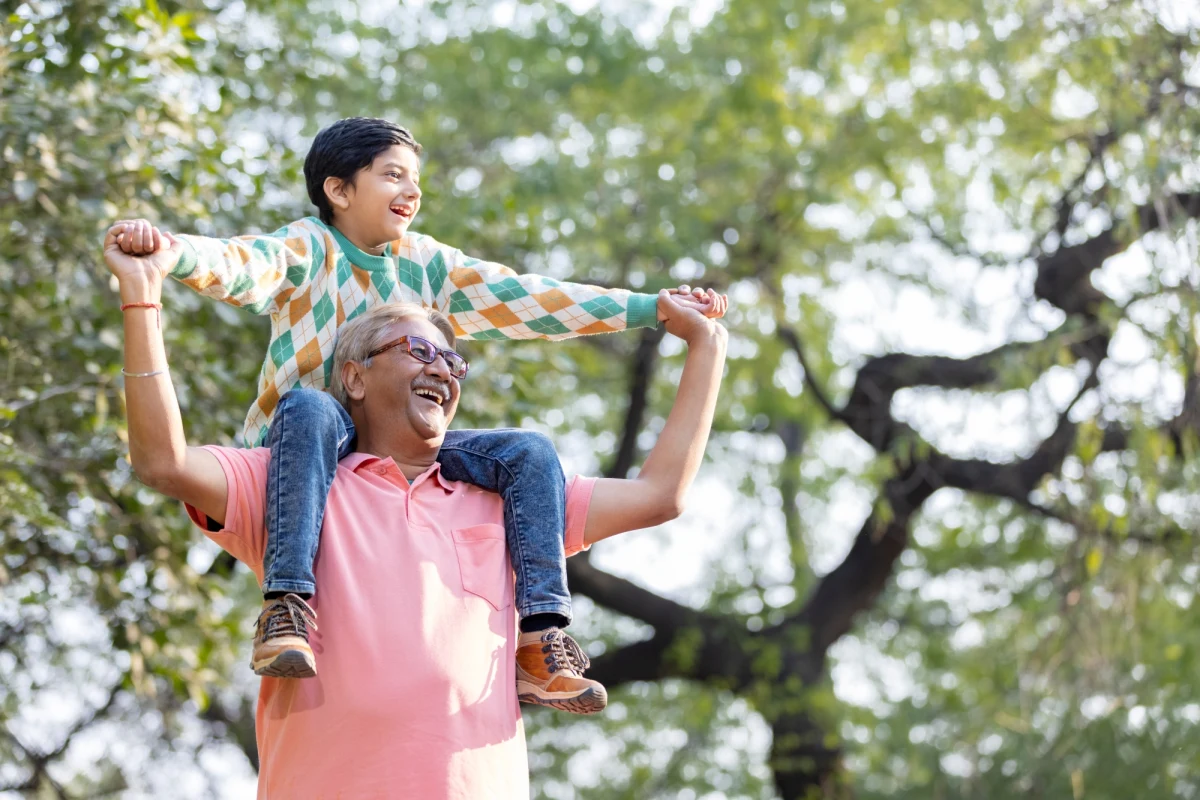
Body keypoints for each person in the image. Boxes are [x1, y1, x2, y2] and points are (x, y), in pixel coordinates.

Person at [110, 116, 727, 713]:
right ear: (338, 189)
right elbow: (242, 266)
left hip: (394, 441)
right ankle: (287, 603)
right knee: (313, 407)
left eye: (415, 180)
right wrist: (169, 253)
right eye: (392, 176)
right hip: (308, 445)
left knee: (528, 452)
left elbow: (528, 298)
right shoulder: (308, 248)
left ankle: (541, 636)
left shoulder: (427, 263)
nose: (412, 192)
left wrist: (653, 308)